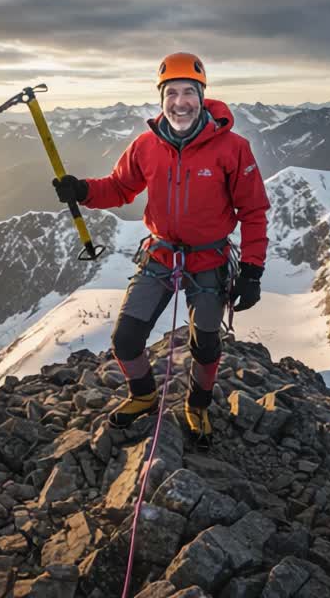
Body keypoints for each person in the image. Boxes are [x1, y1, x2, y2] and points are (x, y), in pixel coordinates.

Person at [52, 52, 270, 447]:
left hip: (210, 259)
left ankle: (197, 405)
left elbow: (253, 210)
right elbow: (120, 188)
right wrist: (83, 190)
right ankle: (144, 395)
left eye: (189, 92)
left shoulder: (233, 149)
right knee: (126, 340)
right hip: (161, 255)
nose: (180, 102)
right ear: (161, 97)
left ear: (203, 96)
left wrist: (252, 270)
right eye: (172, 92)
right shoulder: (146, 146)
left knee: (206, 343)